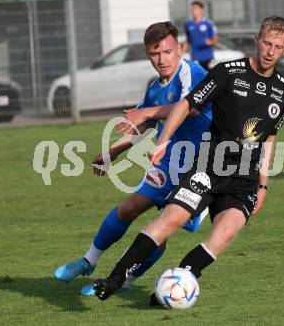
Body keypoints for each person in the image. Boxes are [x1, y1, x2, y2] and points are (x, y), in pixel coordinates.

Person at [92, 16, 284, 304]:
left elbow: (269, 138)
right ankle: (115, 278)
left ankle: (177, 283)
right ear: (257, 41)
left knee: (224, 234)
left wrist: (263, 185)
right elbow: (187, 104)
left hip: (244, 180)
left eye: (278, 46)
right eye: (267, 43)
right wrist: (161, 143)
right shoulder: (227, 72)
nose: (271, 51)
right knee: (171, 218)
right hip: (209, 167)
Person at [54, 21, 212, 296]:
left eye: (166, 51)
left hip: (201, 164)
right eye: (154, 54)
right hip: (169, 160)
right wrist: (113, 152)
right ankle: (88, 260)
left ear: (179, 48)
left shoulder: (192, 72)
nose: (162, 60)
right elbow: (142, 125)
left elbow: (192, 108)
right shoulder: (155, 87)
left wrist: (149, 112)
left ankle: (123, 279)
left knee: (159, 231)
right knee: (128, 208)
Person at [183, 0, 219, 71]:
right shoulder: (189, 24)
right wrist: (182, 52)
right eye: (192, 9)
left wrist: (210, 42)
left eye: (195, 8)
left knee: (209, 77)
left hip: (208, 57)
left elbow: (216, 38)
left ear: (200, 10)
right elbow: (187, 40)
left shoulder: (208, 23)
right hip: (195, 57)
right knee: (198, 78)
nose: (193, 11)